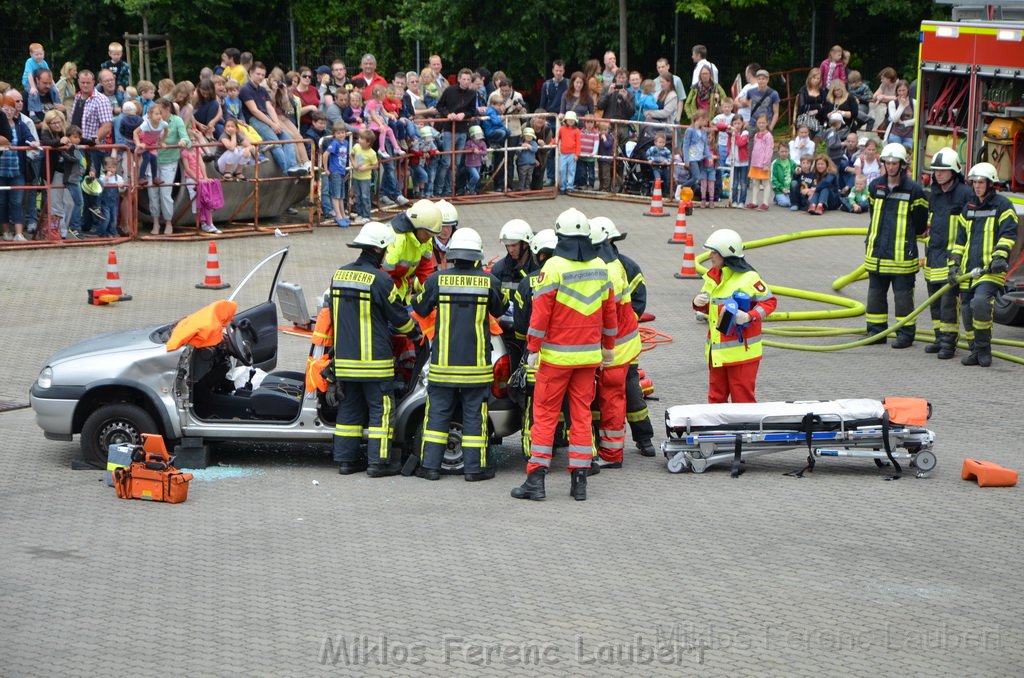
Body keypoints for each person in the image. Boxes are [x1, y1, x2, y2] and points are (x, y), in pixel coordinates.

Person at [511, 208, 617, 502]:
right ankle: (579, 481)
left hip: (556, 359)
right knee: (581, 416)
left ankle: (536, 480)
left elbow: (540, 314)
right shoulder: (601, 267)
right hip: (588, 359)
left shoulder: (553, 267)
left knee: (544, 417)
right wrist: (609, 348)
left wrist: (532, 348)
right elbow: (610, 314)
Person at [410, 228, 506, 481]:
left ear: (452, 254)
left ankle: (429, 468)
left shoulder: (437, 280)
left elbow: (419, 306)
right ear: (477, 255)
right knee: (475, 417)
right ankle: (474, 470)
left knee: (437, 416)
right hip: (476, 369)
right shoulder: (489, 281)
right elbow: (501, 308)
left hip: (443, 366)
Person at [328, 221, 422, 477]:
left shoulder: (339, 275)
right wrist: (415, 332)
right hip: (374, 362)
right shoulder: (381, 280)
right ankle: (377, 464)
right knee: (381, 411)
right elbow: (399, 317)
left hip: (346, 361)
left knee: (350, 409)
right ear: (380, 250)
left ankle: (346, 462)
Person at [692, 229, 777, 403]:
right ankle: (717, 431)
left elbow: (770, 302)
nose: (710, 256)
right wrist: (698, 303)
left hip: (742, 355)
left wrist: (749, 316)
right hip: (717, 353)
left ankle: (745, 431)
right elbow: (712, 310)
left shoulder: (749, 278)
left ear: (726, 254)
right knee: (716, 399)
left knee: (743, 401)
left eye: (714, 252)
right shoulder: (712, 276)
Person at [951, 162, 1019, 367]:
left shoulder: (1002, 206)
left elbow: (1008, 234)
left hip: (990, 269)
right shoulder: (969, 208)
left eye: (981, 182)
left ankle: (983, 348)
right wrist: (954, 265)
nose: (977, 186)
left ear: (991, 184)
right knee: (966, 310)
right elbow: (960, 240)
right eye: (975, 182)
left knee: (980, 303)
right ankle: (974, 350)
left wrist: (999, 257)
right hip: (968, 270)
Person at [588, 217, 642, 470]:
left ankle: (611, 454)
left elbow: (600, 315)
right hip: (621, 344)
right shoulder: (615, 265)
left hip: (613, 349)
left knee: (611, 400)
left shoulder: (604, 272)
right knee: (611, 398)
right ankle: (610, 449)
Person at [864, 143, 928, 347]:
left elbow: (920, 222)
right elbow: (873, 214)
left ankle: (905, 335)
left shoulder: (914, 190)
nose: (890, 167)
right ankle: (876, 333)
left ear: (901, 165)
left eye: (894, 163)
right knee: (875, 296)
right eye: (888, 163)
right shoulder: (875, 187)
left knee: (903, 299)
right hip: (878, 254)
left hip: (902, 255)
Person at [512, 228, 558, 459]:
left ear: (538, 254)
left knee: (534, 408)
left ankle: (533, 454)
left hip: (536, 359)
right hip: (569, 358)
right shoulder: (572, 278)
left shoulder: (528, 282)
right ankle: (586, 456)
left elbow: (520, 325)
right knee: (575, 410)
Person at [922, 148, 973, 359]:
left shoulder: (965, 194)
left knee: (949, 303)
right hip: (933, 254)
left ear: (954, 171)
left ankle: (948, 343)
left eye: (943, 170)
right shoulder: (934, 193)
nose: (938, 174)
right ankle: (938, 337)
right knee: (934, 302)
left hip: (953, 256)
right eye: (935, 170)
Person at [240, 62, 306, 176]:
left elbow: (270, 107)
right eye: (258, 74)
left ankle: (292, 167)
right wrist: (272, 124)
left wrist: (276, 123)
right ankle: (286, 172)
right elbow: (254, 110)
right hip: (254, 120)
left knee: (288, 139)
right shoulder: (245, 89)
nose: (260, 77)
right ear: (250, 73)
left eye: (262, 74)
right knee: (275, 143)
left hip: (268, 118)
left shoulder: (262, 90)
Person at [70, 69, 112, 232]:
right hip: (77, 148)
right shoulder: (78, 97)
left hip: (92, 149)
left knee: (91, 185)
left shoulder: (101, 100)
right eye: (82, 82)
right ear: (78, 82)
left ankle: (96, 223)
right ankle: (84, 222)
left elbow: (107, 125)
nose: (85, 85)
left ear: (94, 82)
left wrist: (94, 140)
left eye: (88, 82)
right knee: (80, 185)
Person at [383, 199, 442, 303]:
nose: (429, 238)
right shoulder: (397, 240)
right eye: (427, 234)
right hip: (387, 295)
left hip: (402, 293)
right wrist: (392, 301)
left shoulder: (423, 239)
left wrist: (434, 294)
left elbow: (425, 270)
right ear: (416, 227)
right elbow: (383, 276)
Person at [432, 68, 477, 197]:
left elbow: (472, 111)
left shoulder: (472, 94)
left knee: (456, 163)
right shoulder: (449, 90)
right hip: (448, 129)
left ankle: (450, 189)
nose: (466, 82)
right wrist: (448, 114)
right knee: (446, 161)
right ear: (459, 79)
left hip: (462, 130)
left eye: (468, 79)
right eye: (464, 79)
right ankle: (439, 190)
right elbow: (440, 106)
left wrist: (464, 114)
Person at [492, 218, 537, 299]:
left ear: (525, 244)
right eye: (508, 246)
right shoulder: (498, 271)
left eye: (514, 245)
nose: (510, 250)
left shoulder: (538, 269)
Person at [683, 110, 714, 207]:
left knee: (697, 177)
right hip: (692, 157)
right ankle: (682, 187)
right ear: (700, 119)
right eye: (705, 120)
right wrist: (686, 159)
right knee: (696, 176)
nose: (706, 123)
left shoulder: (703, 131)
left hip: (700, 157)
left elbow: (705, 146)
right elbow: (686, 145)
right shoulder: (690, 130)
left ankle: (687, 194)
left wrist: (709, 156)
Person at [321, 122, 350, 227]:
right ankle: (338, 215)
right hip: (336, 172)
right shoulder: (334, 143)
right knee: (336, 195)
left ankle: (343, 214)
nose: (341, 135)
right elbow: (325, 155)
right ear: (334, 135)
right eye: (338, 133)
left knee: (341, 195)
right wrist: (326, 168)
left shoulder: (346, 143)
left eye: (342, 132)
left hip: (342, 171)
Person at [349, 129, 377, 225]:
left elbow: (375, 165)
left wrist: (366, 168)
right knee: (357, 195)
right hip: (356, 176)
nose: (359, 140)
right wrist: (353, 163)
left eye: (362, 139)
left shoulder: (372, 153)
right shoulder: (356, 147)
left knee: (365, 196)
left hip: (365, 178)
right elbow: (351, 155)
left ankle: (366, 215)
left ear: (368, 142)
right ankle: (360, 213)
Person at [747, 115, 773, 209]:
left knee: (765, 183)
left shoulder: (768, 136)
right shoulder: (756, 135)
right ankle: (754, 201)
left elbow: (769, 150)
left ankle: (765, 203)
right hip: (755, 162)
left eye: (763, 123)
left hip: (763, 164)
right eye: (759, 123)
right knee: (755, 182)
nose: (761, 124)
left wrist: (766, 163)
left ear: (767, 123)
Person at [96, 155, 124, 237]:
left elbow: (122, 187)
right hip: (105, 202)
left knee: (114, 218)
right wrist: (107, 177)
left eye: (113, 167)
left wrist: (121, 185)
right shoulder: (102, 177)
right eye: (109, 167)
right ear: (105, 167)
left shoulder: (118, 178)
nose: (111, 169)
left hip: (114, 202)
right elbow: (101, 184)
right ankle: (102, 233)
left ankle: (112, 232)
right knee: (106, 218)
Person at [726, 116, 749, 208]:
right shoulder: (730, 133)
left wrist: (735, 133)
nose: (737, 125)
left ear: (742, 124)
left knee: (743, 182)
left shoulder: (745, 133)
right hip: (734, 161)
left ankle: (742, 201)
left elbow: (740, 143)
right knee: (734, 182)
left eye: (739, 123)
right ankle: (734, 200)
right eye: (735, 123)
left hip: (743, 162)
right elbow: (720, 127)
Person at [885, 80, 915, 150]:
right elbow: (894, 119)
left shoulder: (914, 102)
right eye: (899, 91)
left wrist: (904, 123)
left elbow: (917, 119)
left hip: (909, 136)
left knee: (906, 156)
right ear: (897, 91)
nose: (902, 93)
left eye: (904, 90)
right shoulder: (892, 103)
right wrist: (901, 105)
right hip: (895, 134)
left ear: (908, 90)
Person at [556, 110, 581, 194]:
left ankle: (569, 186)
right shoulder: (561, 129)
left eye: (572, 119)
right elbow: (556, 139)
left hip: (572, 154)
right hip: (563, 153)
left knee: (571, 171)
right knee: (562, 170)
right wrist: (550, 143)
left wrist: (577, 154)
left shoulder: (577, 131)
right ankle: (562, 187)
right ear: (565, 120)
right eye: (569, 119)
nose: (570, 121)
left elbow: (578, 143)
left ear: (575, 121)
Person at [796, 68, 826, 136]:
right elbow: (802, 107)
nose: (816, 80)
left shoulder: (822, 91)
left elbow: (826, 106)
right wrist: (818, 106)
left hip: (819, 120)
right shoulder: (803, 90)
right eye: (814, 78)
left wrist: (817, 111)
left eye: (818, 78)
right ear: (810, 78)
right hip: (805, 120)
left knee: (815, 142)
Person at [431, 199, 459, 269]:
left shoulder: (460, 245)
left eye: (449, 226)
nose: (446, 230)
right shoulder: (425, 247)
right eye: (442, 226)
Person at [462, 125, 486, 195]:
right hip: (470, 164)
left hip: (478, 163)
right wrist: (472, 150)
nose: (478, 138)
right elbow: (465, 149)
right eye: (476, 136)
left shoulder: (482, 143)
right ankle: (468, 187)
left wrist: (479, 152)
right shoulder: (469, 142)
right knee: (476, 176)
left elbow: (485, 151)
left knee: (475, 178)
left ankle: (471, 191)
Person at [771, 141, 796, 208]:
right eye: (782, 151)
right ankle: (777, 197)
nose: (784, 153)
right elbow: (773, 179)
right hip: (780, 190)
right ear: (778, 152)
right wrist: (782, 188)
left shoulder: (792, 163)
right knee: (786, 203)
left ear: (789, 152)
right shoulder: (775, 163)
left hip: (790, 190)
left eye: (786, 151)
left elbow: (796, 175)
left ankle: (787, 197)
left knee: (796, 202)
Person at [517, 126, 539, 191]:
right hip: (522, 164)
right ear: (524, 136)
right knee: (522, 177)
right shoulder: (520, 143)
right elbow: (517, 153)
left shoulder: (533, 143)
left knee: (529, 177)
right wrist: (521, 147)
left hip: (531, 164)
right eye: (527, 136)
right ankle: (521, 188)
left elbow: (535, 149)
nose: (529, 137)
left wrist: (529, 146)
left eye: (530, 136)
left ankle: (527, 188)